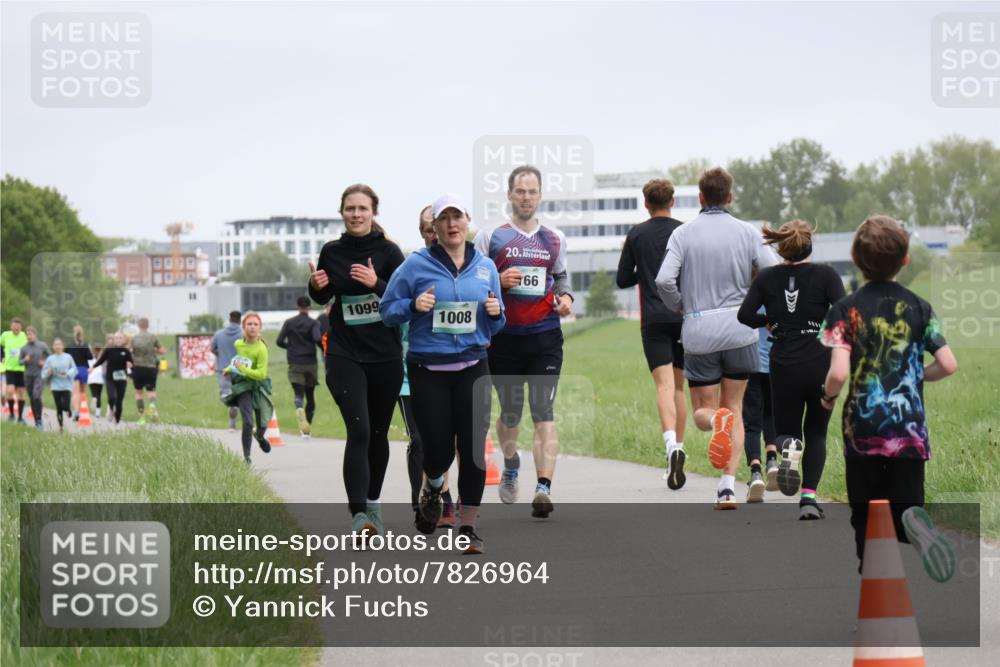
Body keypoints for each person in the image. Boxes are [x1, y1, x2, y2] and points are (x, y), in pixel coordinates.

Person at [819, 215, 958, 581]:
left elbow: (837, 373)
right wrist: (915, 377)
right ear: (906, 260)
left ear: (856, 259)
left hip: (862, 430)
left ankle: (875, 588)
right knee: (906, 506)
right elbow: (948, 364)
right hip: (909, 429)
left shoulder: (844, 310)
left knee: (865, 513)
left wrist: (827, 398)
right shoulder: (920, 308)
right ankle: (912, 520)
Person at [382, 193, 505, 554]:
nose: (452, 224)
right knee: (436, 451)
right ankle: (433, 486)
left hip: (473, 366)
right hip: (428, 369)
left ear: (467, 222)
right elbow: (388, 311)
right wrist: (412, 305)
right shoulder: (414, 266)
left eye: (458, 217)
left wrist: (497, 314)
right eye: (444, 218)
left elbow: (497, 325)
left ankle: (468, 528)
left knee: (472, 449)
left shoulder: (486, 267)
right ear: (433, 227)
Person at [655, 167, 778, 509]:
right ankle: (726, 487)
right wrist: (757, 304)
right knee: (735, 407)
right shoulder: (747, 232)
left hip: (699, 330)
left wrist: (682, 305)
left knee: (702, 412)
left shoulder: (683, 234)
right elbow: (771, 271)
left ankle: (715, 421)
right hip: (741, 330)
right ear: (730, 197)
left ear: (700, 197)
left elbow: (664, 280)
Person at [473, 165, 573, 519]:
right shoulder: (490, 237)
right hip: (504, 340)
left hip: (545, 337)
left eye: (532, 191)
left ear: (540, 195)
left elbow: (561, 277)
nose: (526, 197)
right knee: (511, 415)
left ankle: (543, 487)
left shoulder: (554, 238)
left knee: (543, 410)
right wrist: (498, 278)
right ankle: (512, 462)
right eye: (520, 191)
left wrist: (566, 298)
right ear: (509, 195)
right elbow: (473, 279)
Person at [308, 184, 406, 537]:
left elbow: (403, 299)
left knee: (378, 432)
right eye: (350, 208)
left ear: (373, 212)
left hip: (385, 355)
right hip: (345, 351)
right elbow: (323, 296)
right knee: (359, 428)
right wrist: (316, 285)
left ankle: (373, 504)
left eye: (362, 208)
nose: (356, 214)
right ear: (342, 212)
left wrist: (376, 282)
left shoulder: (390, 252)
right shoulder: (331, 252)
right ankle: (359, 514)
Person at [738, 220, 846, 518]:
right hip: (819, 361)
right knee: (818, 432)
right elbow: (845, 313)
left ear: (781, 247)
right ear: (809, 245)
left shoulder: (767, 278)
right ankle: (809, 498)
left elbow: (745, 314)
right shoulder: (826, 274)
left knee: (786, 430)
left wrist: (768, 323)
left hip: (782, 361)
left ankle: (788, 448)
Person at [616, 178, 689, 488]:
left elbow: (622, 279)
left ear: (645, 203)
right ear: (672, 201)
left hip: (654, 320)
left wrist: (645, 273)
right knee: (679, 388)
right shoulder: (685, 231)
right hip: (684, 316)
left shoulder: (636, 234)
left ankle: (670, 445)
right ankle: (681, 448)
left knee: (663, 385)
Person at [221, 311, 273, 465]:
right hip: (243, 386)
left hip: (259, 385)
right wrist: (229, 368)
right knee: (248, 422)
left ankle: (260, 436)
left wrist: (243, 369)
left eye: (255, 324)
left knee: (263, 420)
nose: (252, 327)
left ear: (260, 328)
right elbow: (238, 361)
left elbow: (261, 374)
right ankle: (247, 457)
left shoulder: (261, 349)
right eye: (249, 324)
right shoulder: (238, 344)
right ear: (243, 327)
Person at [740, 309, 778, 502]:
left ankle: (755, 472)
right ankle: (772, 460)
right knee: (770, 414)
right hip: (775, 363)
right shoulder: (778, 291)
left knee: (751, 421)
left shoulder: (751, 295)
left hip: (751, 362)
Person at [276, 296, 322, 437]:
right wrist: (326, 350)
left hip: (295, 362)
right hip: (310, 363)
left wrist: (290, 347)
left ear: (297, 306)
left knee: (299, 394)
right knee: (311, 396)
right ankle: (306, 429)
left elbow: (279, 341)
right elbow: (317, 339)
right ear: (310, 307)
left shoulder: (289, 323)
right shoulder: (314, 323)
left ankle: (298, 404)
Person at [129, 318, 165, 424]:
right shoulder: (153, 337)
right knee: (151, 391)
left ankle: (141, 418)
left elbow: (130, 351)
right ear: (148, 325)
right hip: (151, 367)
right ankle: (152, 407)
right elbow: (162, 350)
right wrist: (154, 350)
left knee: (139, 393)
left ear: (138, 326)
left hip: (137, 368)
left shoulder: (134, 338)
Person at [212, 311, 243, 431]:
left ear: (229, 319)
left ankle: (232, 423)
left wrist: (218, 354)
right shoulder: (242, 334)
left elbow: (212, 348)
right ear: (240, 320)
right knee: (240, 394)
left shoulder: (218, 334)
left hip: (223, 368)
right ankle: (234, 421)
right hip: (239, 369)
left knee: (225, 393)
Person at [94, 332, 133, 424]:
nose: (118, 340)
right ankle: (111, 409)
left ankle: (117, 421)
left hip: (122, 379)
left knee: (119, 401)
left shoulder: (126, 351)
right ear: (114, 340)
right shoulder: (109, 350)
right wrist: (93, 367)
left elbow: (131, 363)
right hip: (110, 378)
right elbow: (101, 360)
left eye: (120, 338)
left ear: (123, 340)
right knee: (111, 397)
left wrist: (130, 365)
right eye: (116, 338)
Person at [41, 338, 77, 432]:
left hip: (66, 385)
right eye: (55, 345)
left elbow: (74, 369)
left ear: (62, 346)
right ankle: (61, 426)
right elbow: (43, 373)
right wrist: (48, 372)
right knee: (58, 407)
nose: (57, 346)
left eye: (59, 344)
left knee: (65, 405)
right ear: (53, 347)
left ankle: (68, 409)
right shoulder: (50, 359)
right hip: (55, 386)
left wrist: (68, 373)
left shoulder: (68, 357)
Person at [18, 326, 51, 430]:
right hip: (28, 376)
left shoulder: (42, 346)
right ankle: (37, 421)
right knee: (32, 398)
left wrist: (45, 363)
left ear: (35, 335)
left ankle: (39, 419)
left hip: (39, 375)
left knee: (36, 396)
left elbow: (50, 358)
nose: (29, 336)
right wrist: (25, 360)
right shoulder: (24, 348)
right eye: (27, 334)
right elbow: (19, 362)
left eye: (30, 334)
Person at [1, 318, 28, 423]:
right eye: (14, 326)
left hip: (22, 368)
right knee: (10, 390)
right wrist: (1, 356)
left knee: (21, 392)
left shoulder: (24, 336)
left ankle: (20, 417)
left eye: (18, 326)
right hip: (10, 368)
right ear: (11, 326)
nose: (16, 328)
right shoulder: (5, 335)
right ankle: (12, 414)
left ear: (21, 327)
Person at [65, 325, 93, 421]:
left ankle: (76, 410)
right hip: (83, 369)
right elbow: (90, 357)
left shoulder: (70, 345)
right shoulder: (85, 344)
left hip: (73, 369)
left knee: (74, 392)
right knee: (82, 392)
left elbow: (65, 357)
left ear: (74, 333)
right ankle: (80, 410)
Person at [87, 345, 105, 418]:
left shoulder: (90, 359)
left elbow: (88, 367)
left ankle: (94, 398)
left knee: (94, 394)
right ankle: (97, 414)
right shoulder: (101, 358)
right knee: (99, 395)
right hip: (100, 378)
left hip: (92, 378)